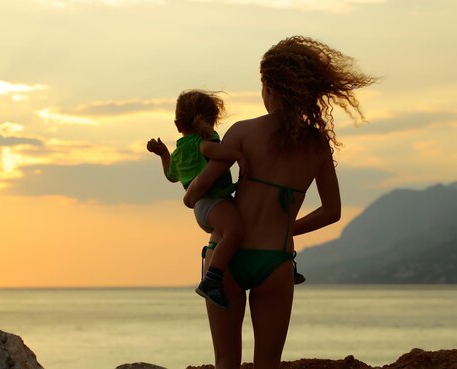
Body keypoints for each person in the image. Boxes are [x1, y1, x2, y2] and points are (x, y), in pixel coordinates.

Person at [183, 36, 377, 369]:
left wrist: (189, 191)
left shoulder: (242, 132)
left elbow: (200, 189)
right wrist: (286, 229)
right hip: (276, 260)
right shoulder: (316, 144)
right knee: (268, 364)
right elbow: (332, 212)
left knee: (226, 361)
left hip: (226, 258)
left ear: (269, 88)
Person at [147, 89, 245, 310]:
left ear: (177, 124)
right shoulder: (204, 141)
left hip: (202, 208)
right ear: (211, 120)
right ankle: (212, 279)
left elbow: (171, 175)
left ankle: (216, 275)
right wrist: (238, 155)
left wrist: (163, 153)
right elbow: (209, 149)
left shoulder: (179, 150)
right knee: (235, 232)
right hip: (213, 202)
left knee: (225, 236)